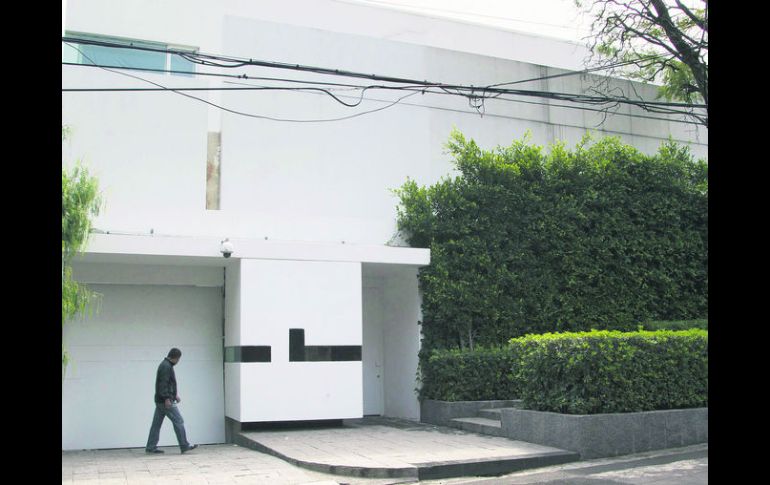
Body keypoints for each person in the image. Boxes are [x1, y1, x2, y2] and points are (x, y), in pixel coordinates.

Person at [145, 348, 198, 454]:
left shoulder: (165, 365)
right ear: (176, 358)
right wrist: (167, 398)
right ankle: (184, 446)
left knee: (156, 424)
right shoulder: (166, 367)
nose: (178, 361)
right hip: (165, 401)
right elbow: (163, 384)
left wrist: (174, 395)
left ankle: (151, 447)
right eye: (178, 359)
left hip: (160, 400)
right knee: (179, 421)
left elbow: (168, 384)